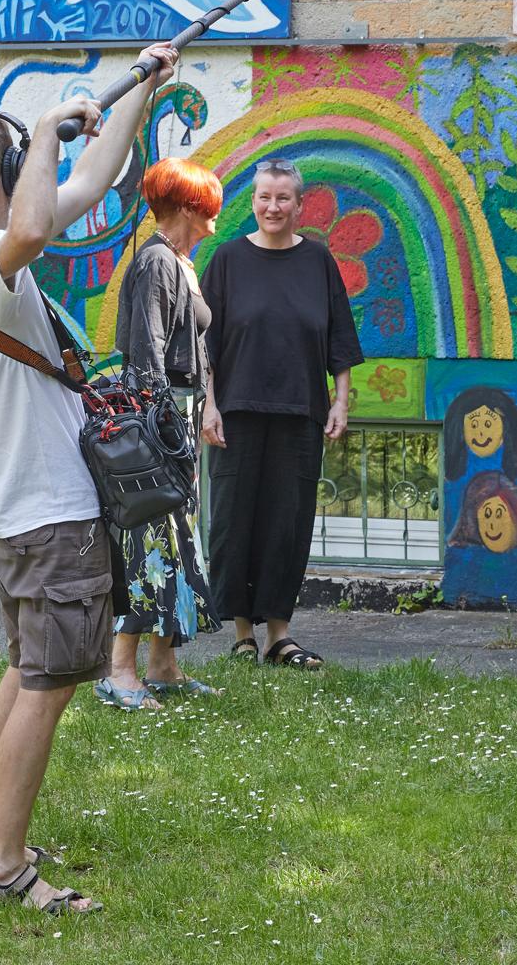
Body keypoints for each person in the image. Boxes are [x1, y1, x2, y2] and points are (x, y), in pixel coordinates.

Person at [0, 42, 177, 915]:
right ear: (4, 164)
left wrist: (143, 93)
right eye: (24, 155)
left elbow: (78, 195)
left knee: (26, 674)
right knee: (48, 684)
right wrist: (44, 129)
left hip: (25, 512)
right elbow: (37, 223)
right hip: (48, 515)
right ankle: (5, 868)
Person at [202, 160, 363, 669]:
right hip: (237, 413)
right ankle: (243, 635)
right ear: (253, 202)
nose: (273, 207)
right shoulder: (227, 260)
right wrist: (208, 405)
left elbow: (339, 335)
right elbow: (205, 344)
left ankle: (279, 636)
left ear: (300, 205)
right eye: (264, 197)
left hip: (301, 411)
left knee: (286, 523)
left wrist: (341, 399)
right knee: (235, 520)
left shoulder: (318, 261)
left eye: (284, 198)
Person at [100, 157, 225, 710]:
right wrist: (163, 430)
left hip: (179, 415)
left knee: (175, 540)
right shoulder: (157, 264)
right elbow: (147, 354)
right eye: (208, 204)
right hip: (161, 420)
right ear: (186, 207)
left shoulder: (178, 261)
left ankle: (163, 665)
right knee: (153, 541)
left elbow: (191, 350)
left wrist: (206, 409)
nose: (215, 215)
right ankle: (118, 670)